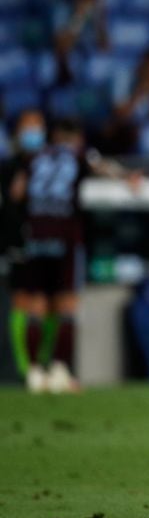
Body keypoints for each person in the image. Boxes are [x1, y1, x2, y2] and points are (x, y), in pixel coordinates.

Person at [13, 118, 139, 393]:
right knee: (67, 305)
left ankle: (34, 373)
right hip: (65, 234)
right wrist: (127, 177)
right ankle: (60, 370)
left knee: (36, 304)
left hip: (36, 234)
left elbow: (17, 192)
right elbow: (100, 166)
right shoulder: (78, 154)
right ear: (75, 137)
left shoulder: (34, 156)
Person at [3, 109, 48, 385]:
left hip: (49, 239)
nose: (33, 131)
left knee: (45, 302)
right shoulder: (9, 167)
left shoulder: (52, 164)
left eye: (37, 125)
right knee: (21, 299)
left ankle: (43, 364)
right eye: (27, 125)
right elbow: (9, 205)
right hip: (18, 240)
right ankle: (23, 369)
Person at [96, 45, 149, 157]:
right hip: (112, 134)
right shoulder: (123, 77)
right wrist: (141, 91)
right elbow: (120, 113)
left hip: (132, 137)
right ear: (144, 62)